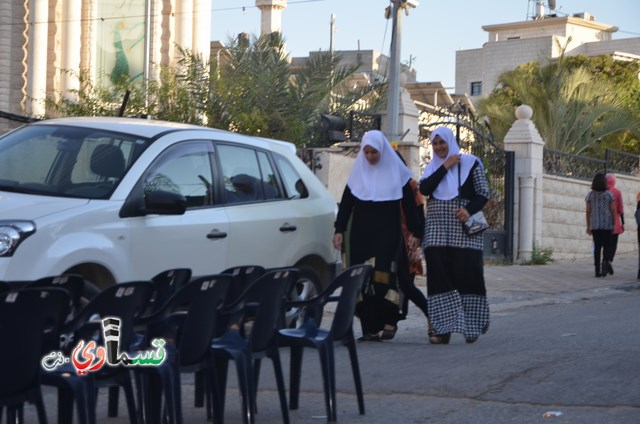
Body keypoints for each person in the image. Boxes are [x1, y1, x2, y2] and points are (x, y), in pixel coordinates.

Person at [333, 130, 423, 342]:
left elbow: (410, 207)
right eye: (367, 152)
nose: (371, 157)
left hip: (388, 234)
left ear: (382, 151)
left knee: (383, 278)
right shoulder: (358, 174)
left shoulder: (397, 174)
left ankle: (386, 320)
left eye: (374, 152)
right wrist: (338, 230)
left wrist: (416, 232)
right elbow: (346, 205)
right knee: (362, 281)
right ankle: (369, 329)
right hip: (361, 235)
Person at [419, 127, 490, 345]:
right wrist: (446, 165)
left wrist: (468, 209)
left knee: (468, 275)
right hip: (437, 229)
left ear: (451, 142)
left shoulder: (471, 163)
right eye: (435, 143)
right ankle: (441, 329)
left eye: (443, 143)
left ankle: (473, 325)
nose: (439, 147)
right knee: (438, 278)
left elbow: (483, 193)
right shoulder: (432, 168)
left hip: (463, 230)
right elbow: (425, 188)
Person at [393, 148, 430, 330]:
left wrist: (417, 235)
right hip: (389, 239)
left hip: (408, 240)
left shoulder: (410, 185)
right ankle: (391, 321)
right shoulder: (383, 184)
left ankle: (430, 315)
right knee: (392, 282)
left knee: (405, 284)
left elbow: (418, 215)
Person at [585, 172, 615, 277]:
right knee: (607, 246)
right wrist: (614, 223)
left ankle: (597, 270)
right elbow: (612, 210)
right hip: (607, 225)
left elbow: (588, 211)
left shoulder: (590, 195)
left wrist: (588, 225)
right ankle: (605, 261)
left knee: (597, 248)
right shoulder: (609, 195)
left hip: (595, 225)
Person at [605, 173, 624, 263]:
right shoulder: (617, 192)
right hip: (615, 222)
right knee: (613, 245)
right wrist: (622, 223)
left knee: (606, 244)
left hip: (604, 223)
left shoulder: (602, 192)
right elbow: (620, 209)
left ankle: (604, 260)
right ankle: (609, 260)